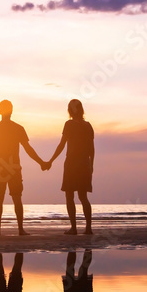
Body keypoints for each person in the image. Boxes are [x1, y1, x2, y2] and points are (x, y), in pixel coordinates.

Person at [0, 99, 46, 236]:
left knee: (1, 199)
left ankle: (0, 229)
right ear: (11, 111)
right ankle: (18, 229)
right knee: (15, 198)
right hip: (11, 168)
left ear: (0, 111)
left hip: (3, 169)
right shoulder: (15, 128)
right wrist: (41, 162)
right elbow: (28, 149)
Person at [46, 99, 95, 235]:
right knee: (83, 197)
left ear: (70, 110)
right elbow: (92, 148)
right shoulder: (88, 125)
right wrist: (92, 164)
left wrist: (51, 160)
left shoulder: (69, 124)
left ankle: (74, 228)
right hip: (85, 163)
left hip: (72, 163)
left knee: (69, 196)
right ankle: (88, 228)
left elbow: (62, 144)